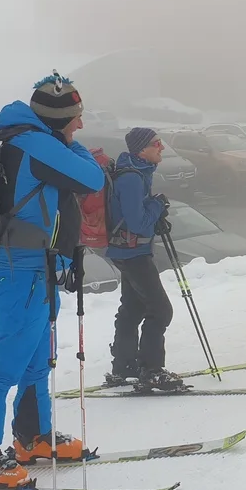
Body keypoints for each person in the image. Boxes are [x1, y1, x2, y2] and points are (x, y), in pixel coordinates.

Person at [0, 73, 105, 489]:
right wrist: (70, 145)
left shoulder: (28, 139)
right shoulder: (36, 143)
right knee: (5, 365)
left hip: (34, 268)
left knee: (36, 361)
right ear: (58, 119)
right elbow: (92, 178)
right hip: (18, 269)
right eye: (75, 118)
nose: (79, 126)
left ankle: (32, 438)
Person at [102, 127, 180, 391]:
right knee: (160, 310)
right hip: (132, 253)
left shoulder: (136, 173)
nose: (162, 148)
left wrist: (154, 209)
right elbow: (137, 223)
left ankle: (124, 367)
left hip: (125, 251)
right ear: (142, 149)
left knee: (133, 308)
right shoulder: (132, 179)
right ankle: (151, 370)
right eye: (157, 143)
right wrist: (158, 206)